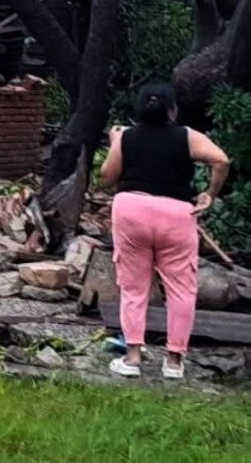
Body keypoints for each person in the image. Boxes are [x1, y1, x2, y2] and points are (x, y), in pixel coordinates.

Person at [99, 83, 229, 380]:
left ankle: (132, 358)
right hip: (176, 215)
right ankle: (174, 362)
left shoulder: (126, 136)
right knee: (181, 289)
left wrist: (114, 141)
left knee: (133, 287)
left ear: (139, 109)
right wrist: (210, 193)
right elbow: (221, 160)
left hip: (132, 210)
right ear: (172, 111)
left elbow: (107, 176)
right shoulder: (187, 136)